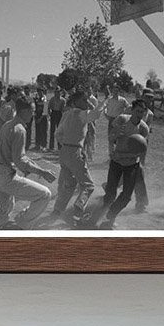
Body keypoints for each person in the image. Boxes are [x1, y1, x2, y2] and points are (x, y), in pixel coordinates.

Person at [0, 98, 57, 230]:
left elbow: (16, 156)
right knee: (44, 195)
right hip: (5, 176)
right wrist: (42, 172)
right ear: (26, 111)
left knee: (6, 208)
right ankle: (22, 224)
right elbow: (20, 160)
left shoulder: (8, 124)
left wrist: (29, 166)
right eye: (32, 111)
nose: (33, 114)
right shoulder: (20, 129)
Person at [51, 89, 106, 225]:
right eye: (83, 100)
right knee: (88, 186)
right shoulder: (82, 114)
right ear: (75, 102)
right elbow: (97, 113)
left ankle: (57, 210)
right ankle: (79, 207)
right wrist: (104, 100)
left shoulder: (67, 114)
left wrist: (67, 144)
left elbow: (57, 134)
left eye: (87, 99)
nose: (86, 102)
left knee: (69, 185)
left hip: (64, 151)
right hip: (75, 152)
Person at [98, 133, 149, 230]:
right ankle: (104, 214)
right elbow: (112, 139)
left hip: (131, 165)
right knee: (112, 193)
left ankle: (111, 214)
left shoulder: (143, 128)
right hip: (118, 164)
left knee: (126, 195)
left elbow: (143, 147)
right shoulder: (122, 122)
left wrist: (139, 160)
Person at [104, 88, 129, 154]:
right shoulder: (109, 100)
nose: (115, 92)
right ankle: (111, 154)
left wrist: (124, 115)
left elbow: (128, 107)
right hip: (111, 120)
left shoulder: (122, 100)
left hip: (119, 120)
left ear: (118, 92)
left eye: (116, 91)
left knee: (119, 137)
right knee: (110, 137)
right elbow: (105, 107)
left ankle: (118, 153)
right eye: (113, 91)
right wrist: (106, 114)